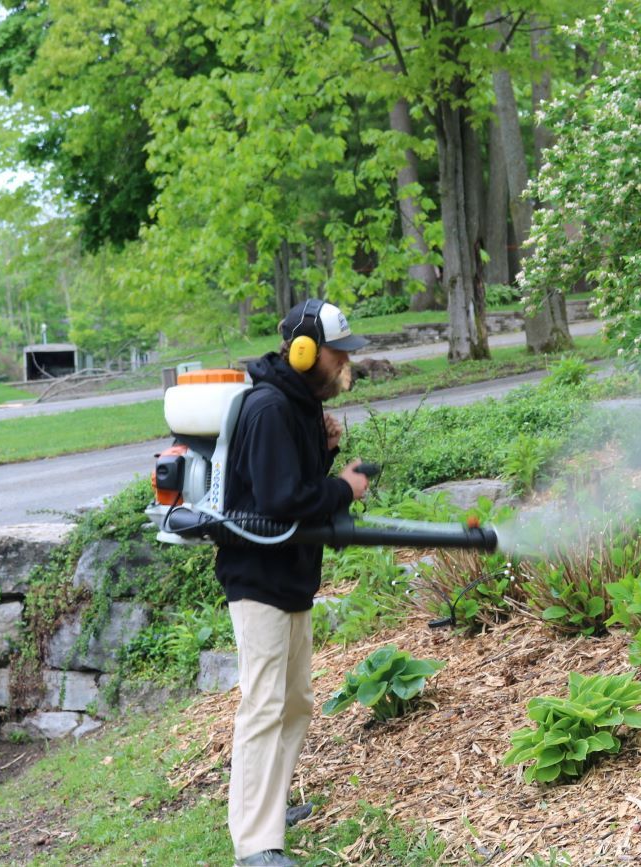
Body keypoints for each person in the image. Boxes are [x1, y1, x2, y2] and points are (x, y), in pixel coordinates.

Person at [215, 298, 370, 867]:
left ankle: (270, 804)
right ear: (306, 352)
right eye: (339, 353)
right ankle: (256, 845)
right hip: (258, 577)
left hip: (289, 574)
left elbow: (287, 487)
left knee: (295, 702)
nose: (345, 365)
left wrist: (325, 454)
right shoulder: (271, 407)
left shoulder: (299, 405)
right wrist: (344, 489)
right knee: (263, 705)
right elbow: (283, 503)